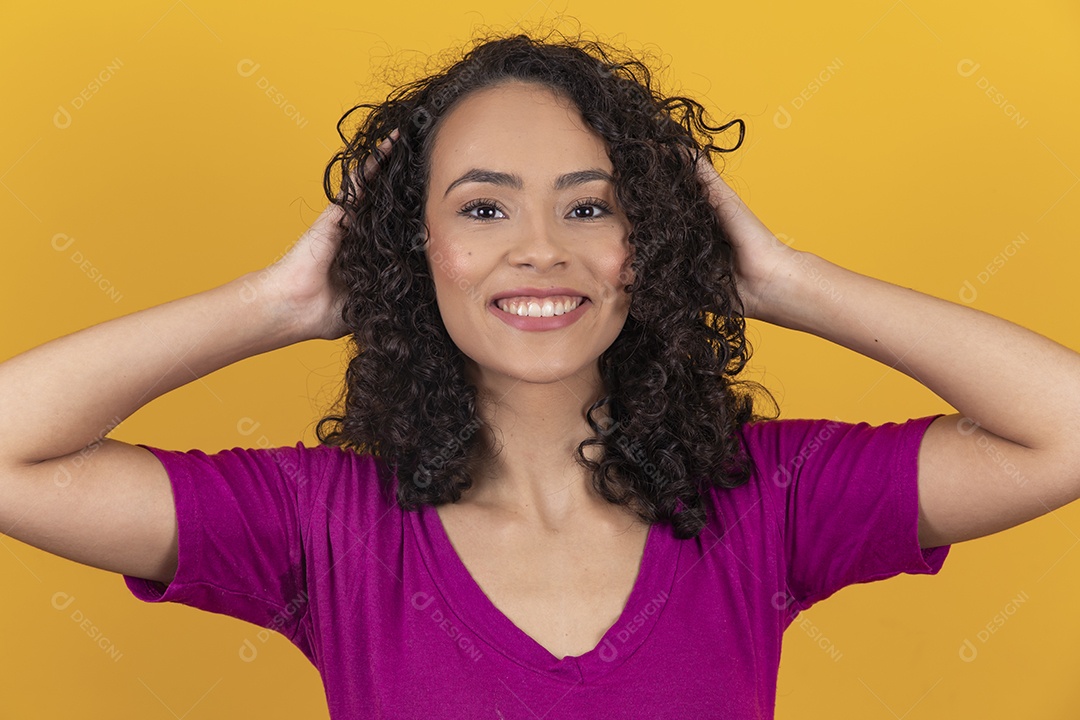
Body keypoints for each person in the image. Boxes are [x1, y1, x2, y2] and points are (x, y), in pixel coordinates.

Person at [2, 30, 1078, 718]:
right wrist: (273, 307)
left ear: (645, 238)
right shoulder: (321, 524)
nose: (539, 249)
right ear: (412, 246)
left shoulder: (765, 502)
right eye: (481, 208)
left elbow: (1063, 430)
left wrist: (783, 279)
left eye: (589, 204)